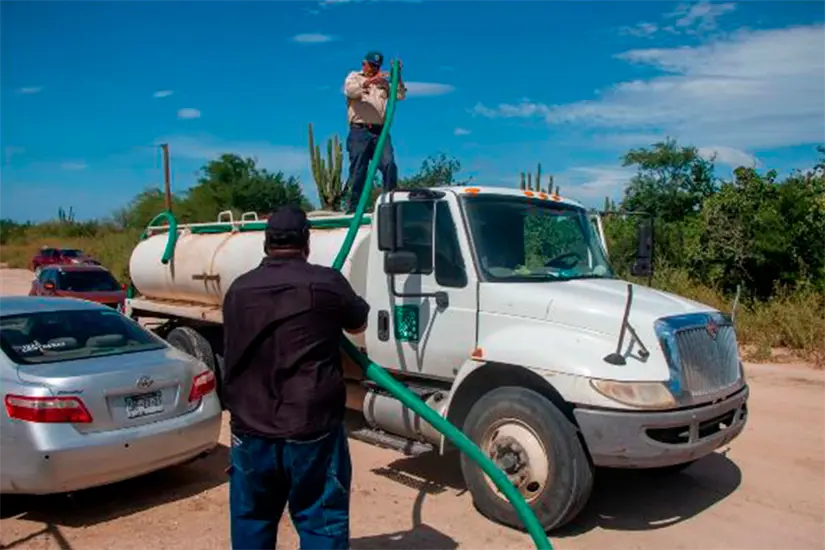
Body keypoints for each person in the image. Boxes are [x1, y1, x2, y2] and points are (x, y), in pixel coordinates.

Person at [221, 204, 370, 550]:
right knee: (320, 521)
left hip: (250, 429)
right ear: (307, 241)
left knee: (252, 519)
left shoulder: (239, 290)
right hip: (311, 429)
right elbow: (358, 323)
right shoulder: (326, 282)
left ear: (266, 243)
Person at [342, 50, 407, 213]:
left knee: (389, 164)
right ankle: (354, 207)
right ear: (364, 64)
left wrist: (397, 76)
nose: (373, 68)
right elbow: (350, 91)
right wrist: (369, 82)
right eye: (371, 65)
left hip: (380, 132)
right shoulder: (354, 77)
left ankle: (389, 203)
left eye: (376, 66)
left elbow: (399, 95)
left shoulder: (383, 83)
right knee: (359, 169)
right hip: (360, 130)